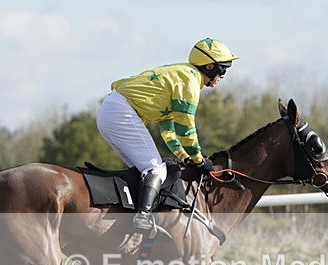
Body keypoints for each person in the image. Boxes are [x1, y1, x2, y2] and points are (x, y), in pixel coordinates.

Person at [96, 37, 239, 232]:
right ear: (209, 66)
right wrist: (198, 159)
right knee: (156, 170)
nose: (223, 75)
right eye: (223, 69)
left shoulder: (183, 75)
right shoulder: (189, 81)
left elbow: (168, 129)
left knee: (143, 171)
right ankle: (142, 219)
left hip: (111, 111)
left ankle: (130, 216)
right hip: (121, 112)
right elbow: (185, 128)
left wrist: (184, 157)